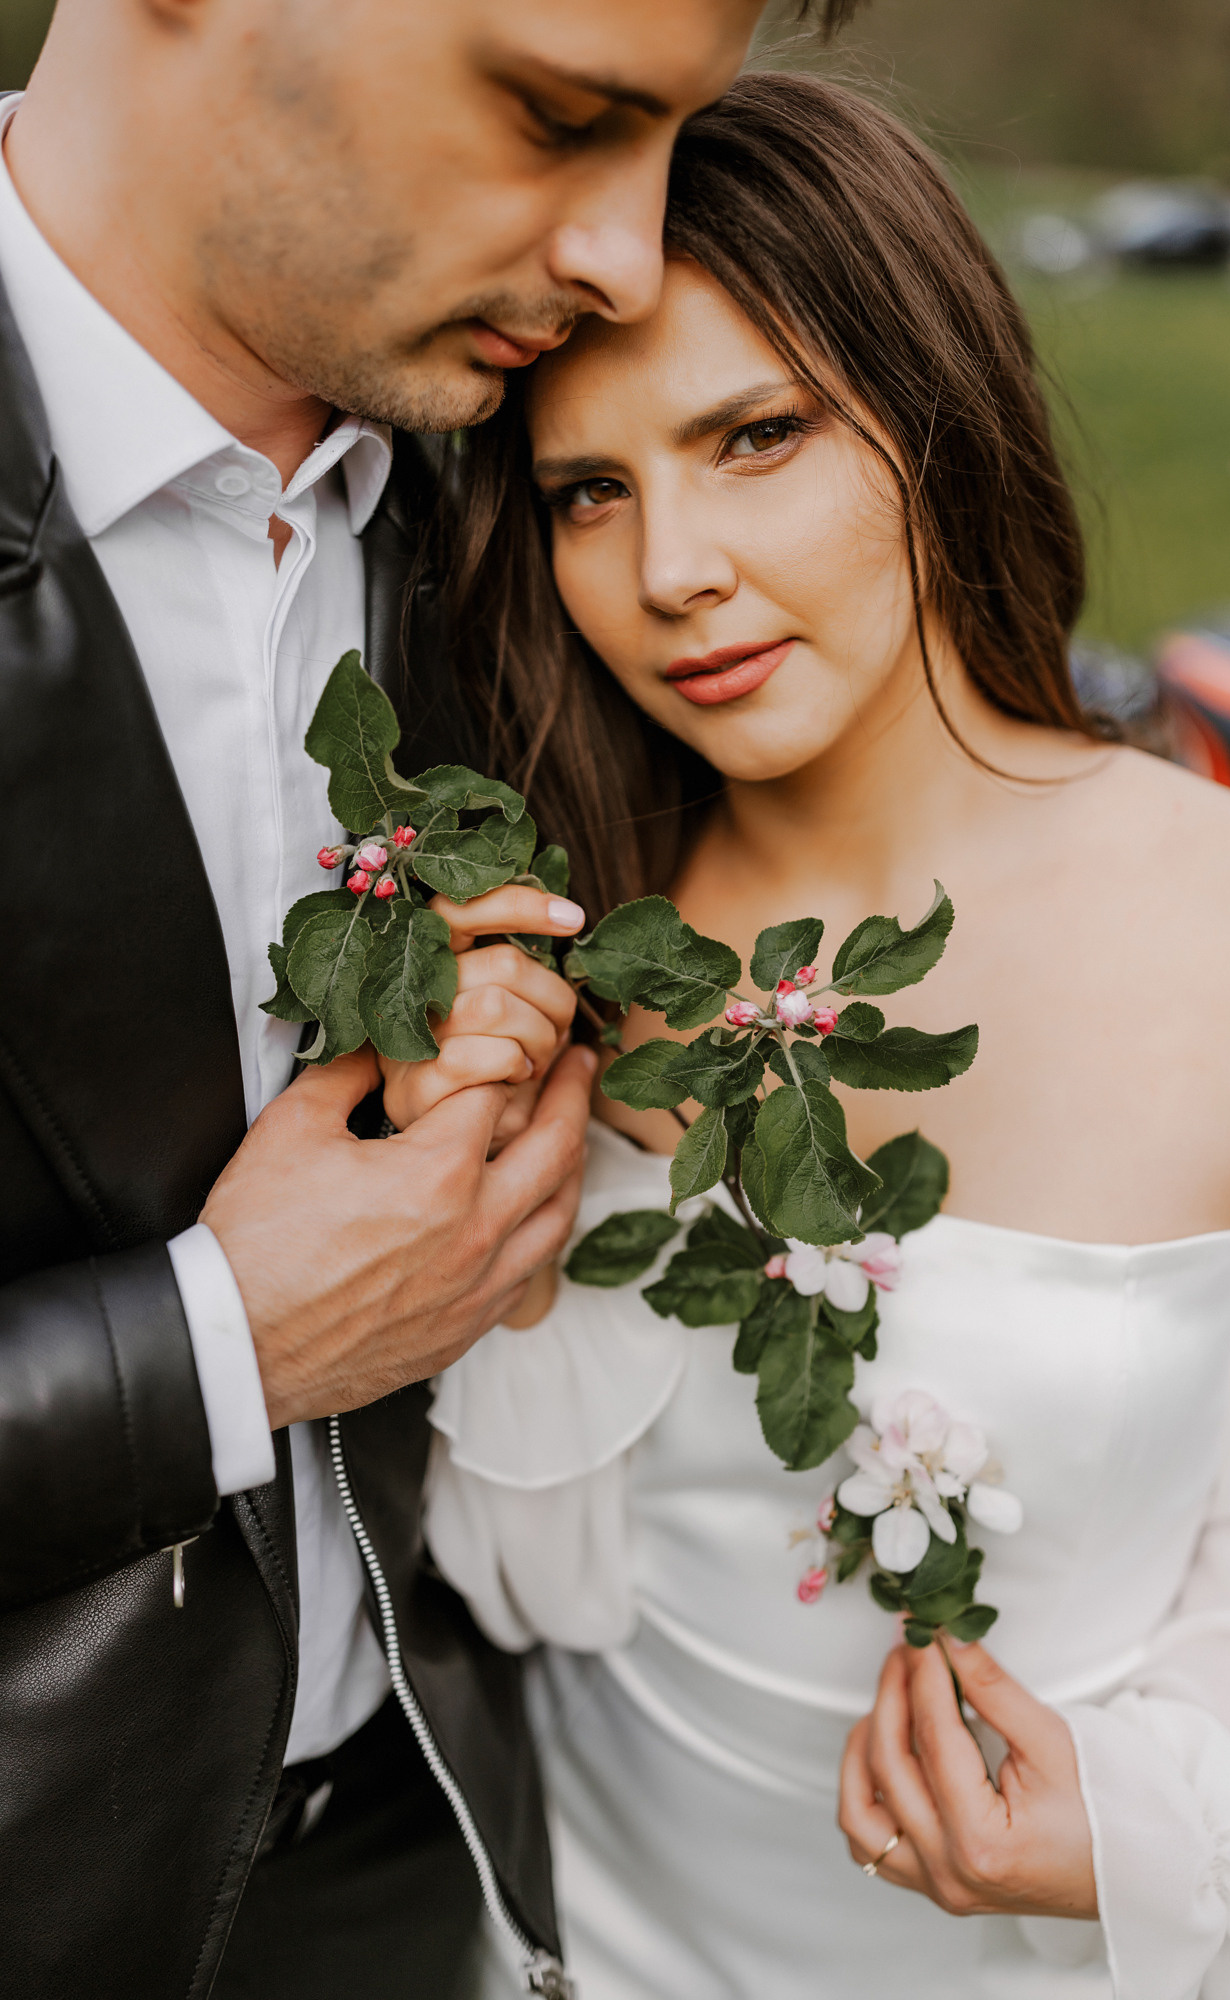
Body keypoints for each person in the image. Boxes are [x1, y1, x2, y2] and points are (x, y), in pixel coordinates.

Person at [410, 74, 1230, 1998]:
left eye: (754, 437)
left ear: (939, 414)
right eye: (592, 488)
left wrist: (1154, 1804)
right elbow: (506, 1580)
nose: (667, 571)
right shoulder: (553, 957)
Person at [0, 1, 823, 1995]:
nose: (631, 257)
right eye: (557, 110)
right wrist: (219, 1341)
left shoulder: (554, 513)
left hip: (422, 1857)